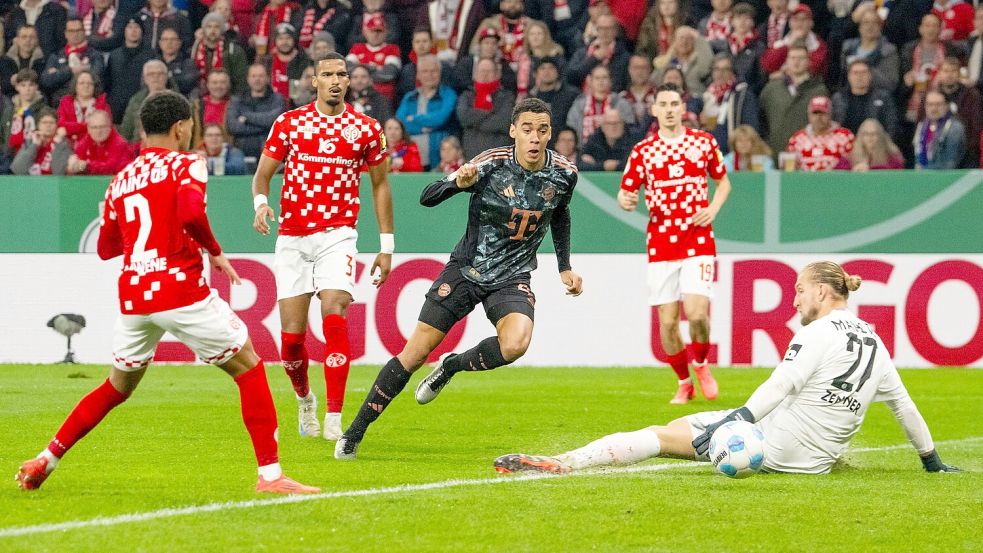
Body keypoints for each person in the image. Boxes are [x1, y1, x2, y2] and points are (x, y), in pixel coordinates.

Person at [15, 91, 319, 495]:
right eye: (190, 126)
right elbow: (191, 212)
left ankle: (45, 459)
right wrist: (215, 252)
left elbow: (107, 249)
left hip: (135, 297)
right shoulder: (186, 163)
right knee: (248, 367)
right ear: (181, 127)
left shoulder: (120, 180)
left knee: (115, 388)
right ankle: (271, 477)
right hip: (179, 289)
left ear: (143, 129)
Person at [493, 261, 962, 477]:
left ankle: (566, 463)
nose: (795, 298)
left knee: (659, 436)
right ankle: (692, 431)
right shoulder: (874, 340)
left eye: (800, 290)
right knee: (682, 425)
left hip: (774, 446)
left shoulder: (817, 333)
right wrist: (930, 461)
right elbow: (904, 406)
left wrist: (735, 419)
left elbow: (782, 384)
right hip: (816, 461)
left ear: (822, 291)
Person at [334, 97, 582, 460]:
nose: (534, 138)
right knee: (414, 353)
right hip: (466, 271)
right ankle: (353, 434)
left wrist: (564, 266)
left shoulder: (564, 173)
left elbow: (560, 214)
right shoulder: (489, 163)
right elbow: (426, 197)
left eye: (541, 131)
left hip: (512, 276)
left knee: (515, 344)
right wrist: (457, 184)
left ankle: (451, 365)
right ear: (513, 131)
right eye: (526, 130)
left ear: (549, 135)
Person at [252, 53, 394, 442]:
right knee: (292, 339)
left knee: (335, 307)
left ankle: (334, 415)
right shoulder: (290, 123)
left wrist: (386, 245)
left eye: (341, 74)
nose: (335, 80)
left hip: (338, 234)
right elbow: (263, 175)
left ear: (349, 81)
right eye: (327, 74)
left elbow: (380, 184)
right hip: (294, 237)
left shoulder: (365, 128)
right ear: (313, 80)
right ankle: (304, 400)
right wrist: (261, 204)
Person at [617, 83, 732, 405]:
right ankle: (684, 382)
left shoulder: (704, 143)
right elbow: (626, 192)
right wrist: (625, 200)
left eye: (674, 103)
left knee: (696, 313)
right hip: (661, 241)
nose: (669, 109)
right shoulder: (643, 151)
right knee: (667, 323)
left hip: (697, 238)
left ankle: (702, 363)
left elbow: (723, 182)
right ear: (654, 110)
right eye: (662, 103)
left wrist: (712, 208)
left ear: (682, 109)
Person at [758, 44, 829, 159]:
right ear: (786, 62)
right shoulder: (771, 89)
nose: (796, 62)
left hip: (808, 154)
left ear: (809, 62)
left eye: (801, 58)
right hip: (775, 153)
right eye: (792, 58)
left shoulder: (819, 90)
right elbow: (761, 121)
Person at [396, 55, 457, 170]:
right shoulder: (409, 97)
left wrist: (413, 119)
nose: (429, 75)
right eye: (425, 71)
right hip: (411, 159)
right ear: (418, 75)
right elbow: (400, 123)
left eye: (433, 71)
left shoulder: (448, 94)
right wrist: (424, 128)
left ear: (440, 72)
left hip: (440, 159)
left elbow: (440, 118)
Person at [39, 18, 107, 107]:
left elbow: (97, 76)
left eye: (78, 30)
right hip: (59, 104)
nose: (75, 34)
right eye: (71, 31)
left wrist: (58, 73)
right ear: (66, 34)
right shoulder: (56, 56)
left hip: (88, 104)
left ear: (84, 32)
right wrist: (71, 70)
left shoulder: (95, 55)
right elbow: (46, 81)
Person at [457, 58, 516, 158]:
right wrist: (490, 114)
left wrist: (475, 122)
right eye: (482, 71)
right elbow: (463, 117)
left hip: (499, 157)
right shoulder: (467, 95)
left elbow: (504, 122)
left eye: (489, 71)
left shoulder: (507, 96)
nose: (485, 75)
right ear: (475, 74)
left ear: (497, 74)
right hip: (472, 157)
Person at [226, 63, 287, 159]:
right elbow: (233, 127)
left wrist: (247, 117)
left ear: (267, 78)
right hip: (242, 154)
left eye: (261, 76)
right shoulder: (237, 100)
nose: (257, 79)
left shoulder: (277, 99)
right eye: (253, 76)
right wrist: (266, 126)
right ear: (248, 79)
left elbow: (276, 122)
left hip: (270, 154)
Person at [831, 59, 898, 139]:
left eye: (864, 72)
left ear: (870, 75)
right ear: (848, 76)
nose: (860, 76)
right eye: (855, 73)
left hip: (875, 145)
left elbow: (891, 125)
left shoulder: (883, 97)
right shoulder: (838, 98)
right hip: (845, 145)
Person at [787, 96, 855, 172]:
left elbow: (855, 163)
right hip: (804, 182)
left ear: (830, 114)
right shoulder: (797, 139)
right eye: (815, 113)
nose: (818, 117)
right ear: (809, 115)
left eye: (823, 113)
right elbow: (789, 169)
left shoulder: (845, 136)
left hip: (836, 182)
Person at [66, 109, 133, 175]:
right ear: (88, 129)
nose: (98, 131)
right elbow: (77, 165)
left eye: (102, 127)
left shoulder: (120, 144)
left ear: (110, 127)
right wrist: (73, 166)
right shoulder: (85, 142)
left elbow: (111, 168)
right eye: (94, 127)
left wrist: (86, 166)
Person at [119, 60, 171, 143]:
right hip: (138, 149)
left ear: (166, 77)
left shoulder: (178, 101)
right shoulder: (136, 100)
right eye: (151, 74)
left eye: (160, 74)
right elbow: (126, 130)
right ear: (145, 78)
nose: (156, 77)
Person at [913, 90, 966, 169]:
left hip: (945, 176)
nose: (934, 108)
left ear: (947, 106)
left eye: (938, 104)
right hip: (923, 176)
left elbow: (951, 162)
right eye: (930, 105)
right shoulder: (922, 126)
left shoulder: (954, 128)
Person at [56, 70, 111, 144]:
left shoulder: (103, 105)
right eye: (82, 83)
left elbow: (104, 129)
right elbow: (61, 125)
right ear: (75, 86)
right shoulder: (65, 103)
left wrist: (72, 128)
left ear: (94, 86)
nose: (86, 86)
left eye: (90, 83)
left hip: (94, 146)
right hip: (68, 146)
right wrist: (87, 126)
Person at [838, 118, 904, 171]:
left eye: (874, 134)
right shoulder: (849, 157)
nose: (870, 137)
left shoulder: (892, 156)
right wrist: (854, 172)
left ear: (880, 136)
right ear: (860, 136)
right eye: (866, 134)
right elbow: (840, 177)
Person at [0, 25, 46, 97]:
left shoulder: (43, 61)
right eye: (24, 37)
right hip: (11, 100)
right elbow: (2, 85)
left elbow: (44, 85)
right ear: (17, 40)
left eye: (31, 37)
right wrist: (11, 82)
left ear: (37, 40)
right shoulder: (5, 60)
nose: (28, 40)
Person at [158, 27, 198, 96]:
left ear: (179, 43)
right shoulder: (154, 64)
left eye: (173, 39)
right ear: (160, 43)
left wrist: (162, 80)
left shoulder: (188, 63)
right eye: (165, 39)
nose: (169, 42)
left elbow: (186, 84)